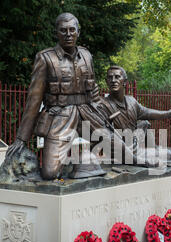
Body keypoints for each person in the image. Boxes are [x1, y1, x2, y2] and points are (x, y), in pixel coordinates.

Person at [5, 13, 100, 180]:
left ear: (78, 32)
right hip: (61, 117)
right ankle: (79, 165)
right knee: (50, 172)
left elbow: (94, 92)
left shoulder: (87, 55)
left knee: (121, 146)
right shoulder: (45, 58)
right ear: (56, 33)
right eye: (63, 31)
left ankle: (84, 163)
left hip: (87, 113)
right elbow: (34, 100)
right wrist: (21, 138)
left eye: (72, 30)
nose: (68, 34)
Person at [98, 65, 171, 160]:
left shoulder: (131, 101)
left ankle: (154, 148)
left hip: (132, 140)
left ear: (124, 82)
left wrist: (167, 113)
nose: (113, 80)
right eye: (110, 77)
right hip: (121, 150)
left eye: (117, 77)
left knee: (144, 123)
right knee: (165, 155)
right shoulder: (102, 104)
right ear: (106, 82)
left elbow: (147, 112)